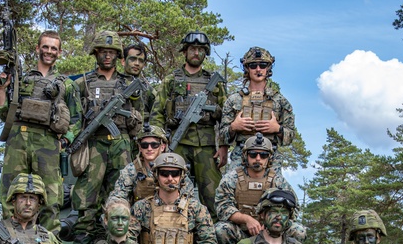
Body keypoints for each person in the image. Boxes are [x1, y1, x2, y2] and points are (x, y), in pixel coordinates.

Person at [0, 30, 80, 232]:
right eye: (45, 47)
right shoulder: (20, 79)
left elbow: (77, 119)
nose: (49, 51)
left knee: (51, 198)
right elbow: (5, 113)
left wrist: (65, 140)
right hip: (18, 138)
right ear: (37, 48)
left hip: (48, 142)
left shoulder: (66, 85)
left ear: (59, 52)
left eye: (53, 48)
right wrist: (1, 89)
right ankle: (10, 241)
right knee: (11, 193)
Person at [71, 30, 144, 244]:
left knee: (121, 191)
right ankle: (84, 241)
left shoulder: (129, 84)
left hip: (121, 142)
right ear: (96, 53)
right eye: (103, 52)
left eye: (112, 52)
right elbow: (75, 115)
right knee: (88, 194)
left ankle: (120, 241)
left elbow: (140, 116)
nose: (107, 56)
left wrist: (132, 118)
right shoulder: (84, 82)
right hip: (94, 143)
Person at [151, 31, 227, 216]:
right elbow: (157, 114)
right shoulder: (171, 80)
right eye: (192, 49)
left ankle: (216, 237)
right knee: (171, 191)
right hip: (177, 145)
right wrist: (159, 143)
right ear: (185, 51)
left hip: (206, 146)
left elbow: (226, 116)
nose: (196, 53)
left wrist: (224, 146)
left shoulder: (213, 83)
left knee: (213, 196)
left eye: (201, 50)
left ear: (205, 53)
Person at [214, 132, 305, 244]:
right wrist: (247, 220)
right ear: (245, 156)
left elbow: (294, 209)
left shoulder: (278, 181)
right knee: (220, 230)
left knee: (298, 231)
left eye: (263, 155)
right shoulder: (232, 178)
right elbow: (222, 207)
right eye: (253, 154)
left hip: (272, 233)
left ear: (269, 158)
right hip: (241, 232)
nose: (258, 159)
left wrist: (271, 224)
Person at [218, 46, 296, 170]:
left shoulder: (280, 101)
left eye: (263, 65)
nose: (258, 69)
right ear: (247, 68)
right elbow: (222, 135)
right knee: (227, 187)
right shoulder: (234, 100)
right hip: (241, 156)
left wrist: (277, 129)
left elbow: (290, 136)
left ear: (268, 68)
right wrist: (234, 127)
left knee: (279, 189)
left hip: (270, 157)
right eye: (253, 65)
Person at [109, 125, 197, 206]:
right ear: (140, 148)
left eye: (154, 145)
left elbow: (189, 197)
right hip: (140, 218)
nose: (149, 149)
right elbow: (118, 196)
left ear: (162, 147)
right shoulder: (131, 170)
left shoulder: (175, 168)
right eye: (145, 145)